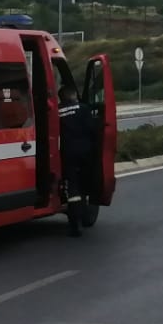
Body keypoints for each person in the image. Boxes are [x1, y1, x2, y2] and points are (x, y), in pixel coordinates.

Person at [58, 85, 98, 237]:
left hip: (67, 153)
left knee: (73, 187)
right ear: (74, 95)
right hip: (85, 152)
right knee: (83, 186)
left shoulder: (57, 111)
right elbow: (92, 130)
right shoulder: (83, 108)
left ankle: (75, 224)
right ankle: (83, 213)